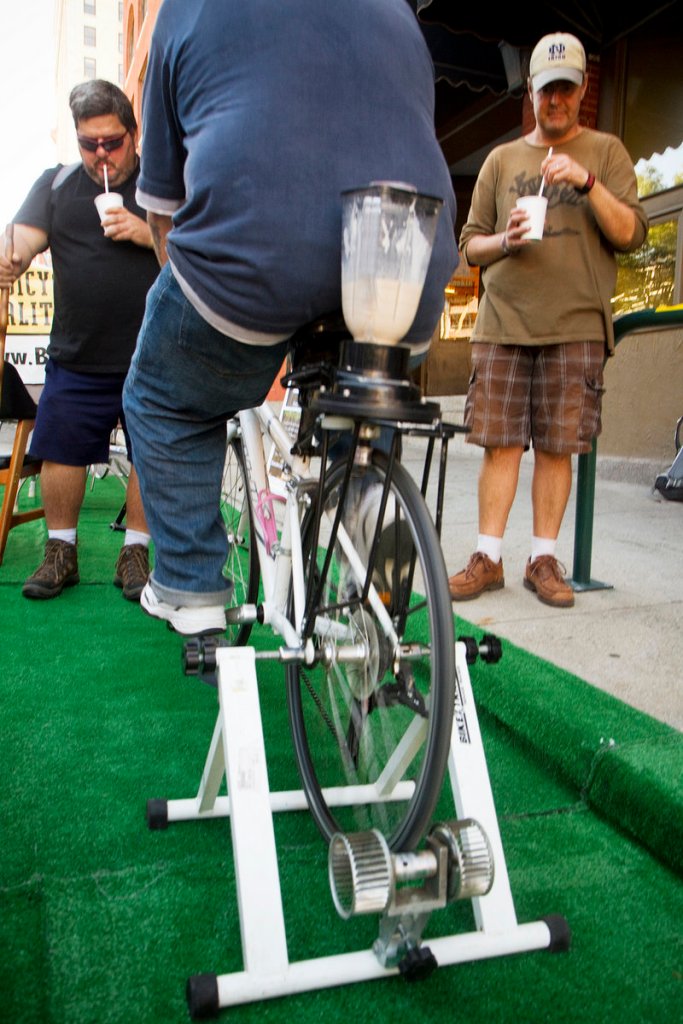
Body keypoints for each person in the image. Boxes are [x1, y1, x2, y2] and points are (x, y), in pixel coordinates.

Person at [122, 0, 458, 637]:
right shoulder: (396, 10)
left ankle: (191, 585)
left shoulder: (183, 9)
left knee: (162, 395)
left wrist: (197, 300)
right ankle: (369, 505)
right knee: (366, 393)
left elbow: (163, 206)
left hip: (258, 251)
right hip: (404, 253)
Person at [447, 31, 647, 609]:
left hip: (577, 324)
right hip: (504, 322)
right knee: (500, 446)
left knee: (557, 448)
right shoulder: (500, 159)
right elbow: (469, 247)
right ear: (530, 92)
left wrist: (586, 183)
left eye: (565, 88)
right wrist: (502, 241)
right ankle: (488, 557)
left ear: (583, 88)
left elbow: (632, 233)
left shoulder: (607, 152)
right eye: (545, 90)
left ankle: (542, 559)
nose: (555, 100)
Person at [0, 80, 160, 602]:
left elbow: (197, 255)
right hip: (77, 352)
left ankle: (135, 552)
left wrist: (144, 231)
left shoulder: (162, 186)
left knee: (150, 454)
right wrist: (10, 255)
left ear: (133, 134)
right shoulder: (56, 185)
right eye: (88, 143)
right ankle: (60, 553)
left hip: (152, 354)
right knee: (61, 450)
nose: (100, 154)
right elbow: (19, 243)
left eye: (111, 142)